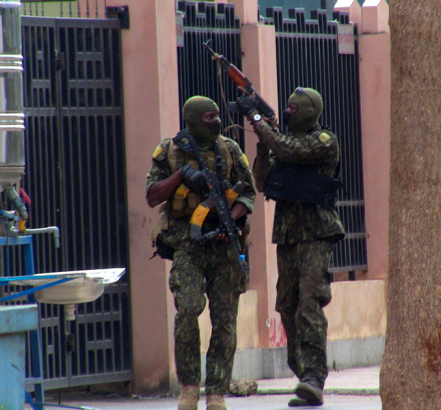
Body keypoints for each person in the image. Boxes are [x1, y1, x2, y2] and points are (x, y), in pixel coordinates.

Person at [146, 96, 256, 410]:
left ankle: (217, 392)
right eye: (209, 117)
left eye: (217, 116)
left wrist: (230, 221)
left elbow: (247, 192)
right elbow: (152, 195)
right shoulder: (169, 150)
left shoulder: (231, 149)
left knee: (225, 321)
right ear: (194, 119)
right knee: (188, 310)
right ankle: (190, 388)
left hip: (223, 245)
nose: (216, 121)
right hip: (187, 243)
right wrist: (181, 175)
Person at [237, 87, 345, 407]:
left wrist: (257, 119)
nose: (288, 112)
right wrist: (262, 139)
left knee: (310, 303)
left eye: (293, 108)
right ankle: (303, 374)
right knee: (286, 305)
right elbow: (262, 182)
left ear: (308, 111)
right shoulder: (280, 143)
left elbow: (291, 150)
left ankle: (314, 377)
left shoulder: (324, 141)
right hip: (287, 236)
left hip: (316, 234)